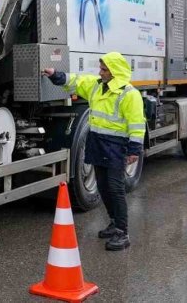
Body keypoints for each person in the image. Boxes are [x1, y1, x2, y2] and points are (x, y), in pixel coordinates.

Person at [43, 52, 146, 251]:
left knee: (115, 189)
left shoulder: (129, 94)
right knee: (102, 186)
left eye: (104, 69)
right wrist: (55, 74)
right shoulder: (97, 85)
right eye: (100, 68)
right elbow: (76, 81)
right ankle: (114, 222)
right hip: (97, 143)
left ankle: (122, 233)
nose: (100, 72)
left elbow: (136, 124)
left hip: (116, 146)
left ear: (115, 71)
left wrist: (134, 149)